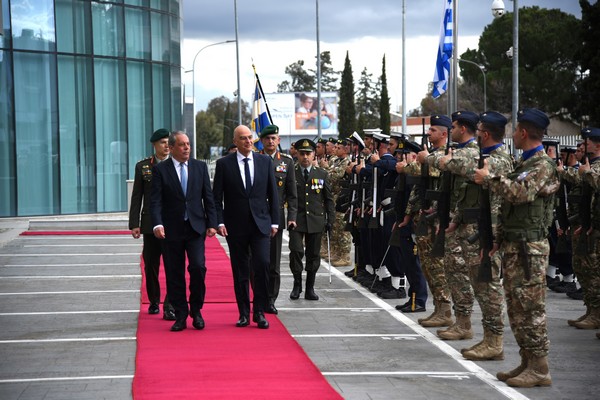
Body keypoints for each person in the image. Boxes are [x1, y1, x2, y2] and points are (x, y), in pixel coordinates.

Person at [474, 108, 559, 387]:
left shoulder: (542, 165)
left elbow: (521, 194)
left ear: (524, 132)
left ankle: (540, 368)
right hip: (514, 243)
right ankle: (527, 361)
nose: (512, 135)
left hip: (529, 248)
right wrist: (498, 238)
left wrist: (490, 179)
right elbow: (510, 206)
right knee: (516, 307)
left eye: (515, 130)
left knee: (531, 309)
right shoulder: (524, 164)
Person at [212, 125, 279, 329]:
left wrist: (275, 221)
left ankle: (259, 311)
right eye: (243, 138)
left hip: (261, 224)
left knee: (262, 265)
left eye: (250, 137)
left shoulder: (264, 161)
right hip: (236, 226)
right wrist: (220, 222)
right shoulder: (224, 164)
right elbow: (217, 198)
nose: (248, 141)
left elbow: (273, 194)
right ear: (235, 141)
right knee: (240, 270)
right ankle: (243, 313)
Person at [151, 131, 218, 332]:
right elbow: (155, 201)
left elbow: (208, 197)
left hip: (196, 227)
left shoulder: (199, 167)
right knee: (174, 273)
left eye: (188, 144)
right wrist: (157, 224)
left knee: (198, 268)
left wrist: (212, 223)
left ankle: (196, 310)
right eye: (182, 145)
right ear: (171, 148)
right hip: (171, 230)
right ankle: (180, 314)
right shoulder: (161, 170)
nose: (187, 148)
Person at [129, 128, 176, 320]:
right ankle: (154, 300)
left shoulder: (177, 164)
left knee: (173, 265)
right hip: (150, 224)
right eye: (162, 143)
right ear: (154, 145)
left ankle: (170, 303)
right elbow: (137, 196)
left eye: (168, 142)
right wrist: (134, 223)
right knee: (151, 265)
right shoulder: (143, 167)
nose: (166, 146)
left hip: (172, 223)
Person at [289, 139, 335, 301]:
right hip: (296, 219)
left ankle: (310, 287)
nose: (305, 157)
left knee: (313, 254)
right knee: (296, 251)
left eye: (308, 154)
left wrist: (331, 220)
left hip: (316, 220)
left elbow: (328, 199)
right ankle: (297, 285)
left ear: (314, 154)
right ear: (297, 154)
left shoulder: (321, 173)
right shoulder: (291, 172)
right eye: (302, 153)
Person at [259, 124, 298, 314]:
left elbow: (292, 193)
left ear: (279, 140)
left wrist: (291, 216)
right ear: (262, 140)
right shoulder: (255, 159)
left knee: (274, 262)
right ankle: (258, 296)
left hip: (275, 217)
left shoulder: (287, 162)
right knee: (257, 260)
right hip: (256, 216)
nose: (270, 141)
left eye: (274, 138)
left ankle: (271, 299)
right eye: (267, 138)